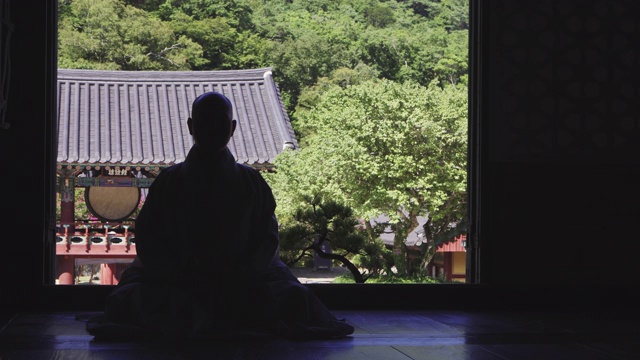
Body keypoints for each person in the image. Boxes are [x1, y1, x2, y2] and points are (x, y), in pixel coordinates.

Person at [88, 92, 353, 340]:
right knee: (130, 297)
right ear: (191, 126)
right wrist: (177, 273)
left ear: (233, 127)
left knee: (292, 296)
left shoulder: (251, 181)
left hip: (242, 280)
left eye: (220, 120)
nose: (212, 126)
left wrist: (240, 272)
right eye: (204, 120)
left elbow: (267, 238)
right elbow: (148, 238)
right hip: (177, 280)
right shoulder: (169, 181)